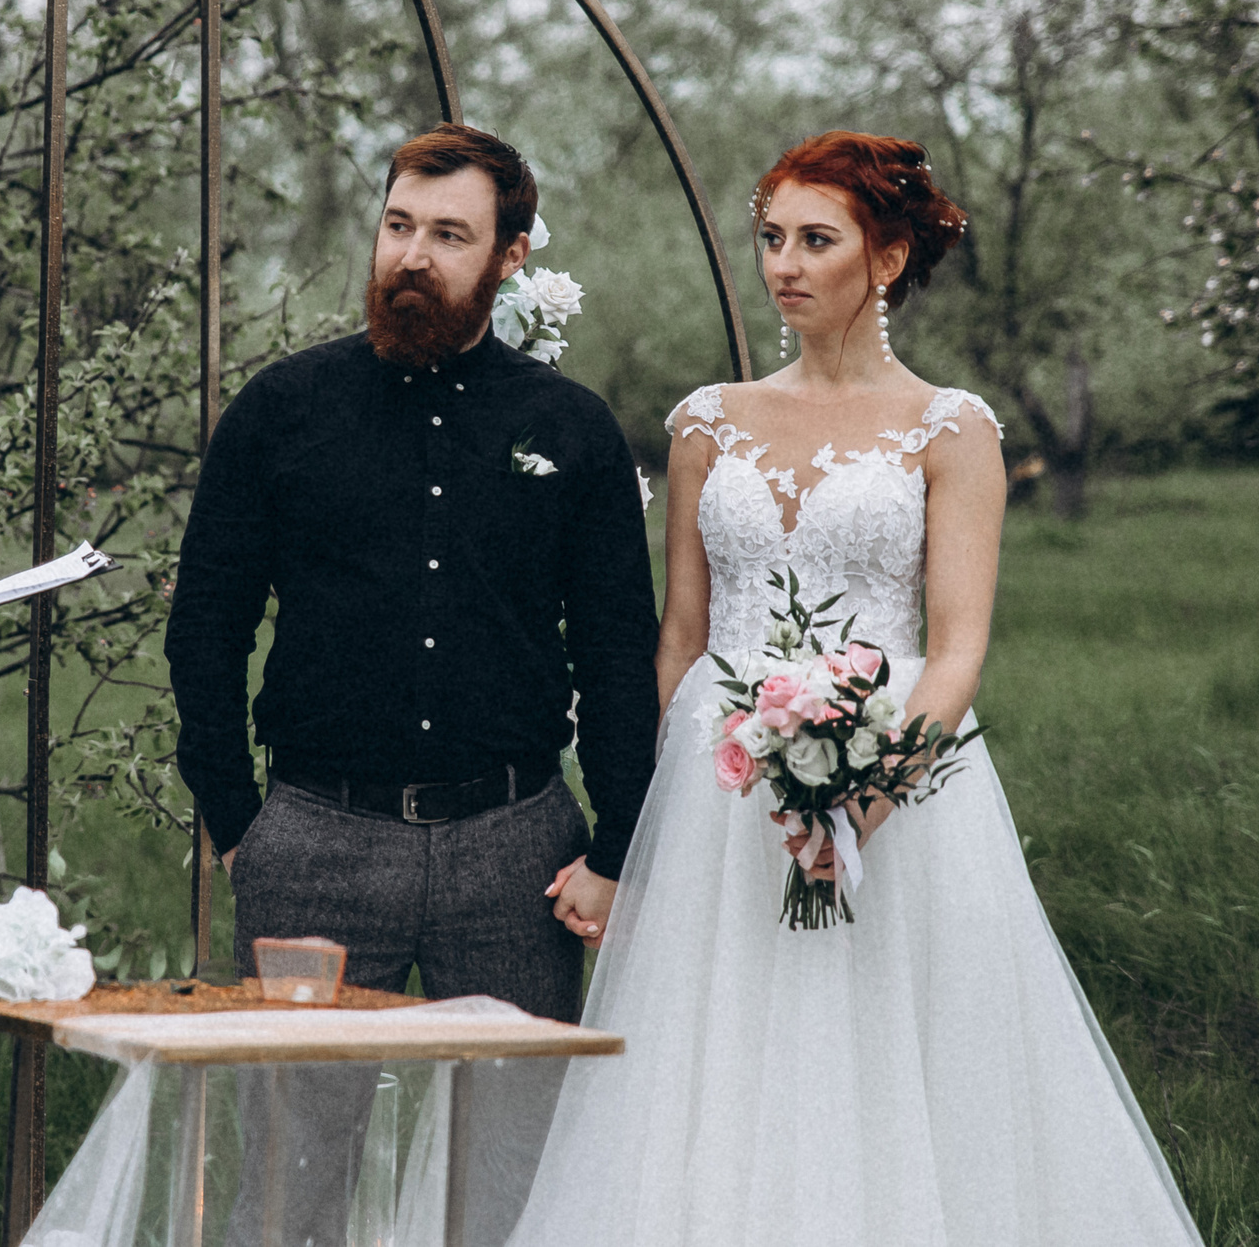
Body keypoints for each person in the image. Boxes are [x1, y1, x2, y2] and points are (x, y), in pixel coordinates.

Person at [508, 131, 1206, 1247]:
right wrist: (628, 839)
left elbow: (958, 648)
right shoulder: (705, 423)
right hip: (713, 794)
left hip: (896, 785)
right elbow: (678, 639)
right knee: (712, 1062)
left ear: (885, 259)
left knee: (885, 1054)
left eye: (816, 240)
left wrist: (861, 802)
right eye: (771, 238)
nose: (783, 264)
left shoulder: (952, 428)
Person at [165, 123, 659, 1244]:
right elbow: (206, 626)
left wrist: (616, 847)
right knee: (286, 1190)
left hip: (518, 854)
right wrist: (238, 821)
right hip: (315, 844)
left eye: (448, 235)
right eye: (397, 227)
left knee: (512, 1190)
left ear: (510, 255)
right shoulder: (281, 411)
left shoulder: (569, 429)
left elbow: (616, 653)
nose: (412, 257)